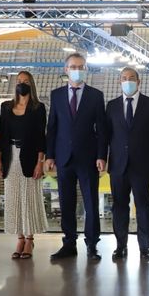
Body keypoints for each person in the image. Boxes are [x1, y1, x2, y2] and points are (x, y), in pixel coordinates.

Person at [45, 52, 107, 262]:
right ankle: (69, 243)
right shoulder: (56, 95)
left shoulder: (96, 95)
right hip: (63, 158)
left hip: (88, 158)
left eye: (81, 66)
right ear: (66, 69)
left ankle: (92, 245)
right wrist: (50, 155)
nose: (77, 69)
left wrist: (101, 155)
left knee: (91, 203)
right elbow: (52, 127)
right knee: (66, 202)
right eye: (73, 66)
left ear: (86, 69)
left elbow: (102, 129)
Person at [103, 66, 149, 262]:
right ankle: (121, 246)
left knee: (143, 206)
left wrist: (146, 156)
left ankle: (145, 247)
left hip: (141, 167)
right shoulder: (111, 106)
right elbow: (106, 136)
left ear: (139, 82)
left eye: (131, 78)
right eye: (123, 78)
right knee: (119, 207)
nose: (127, 81)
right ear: (119, 82)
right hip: (118, 166)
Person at [0, 71, 47, 260]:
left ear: (31, 84)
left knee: (29, 198)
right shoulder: (6, 107)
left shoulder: (38, 107)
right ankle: (19, 238)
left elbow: (42, 137)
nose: (22, 84)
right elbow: (1, 136)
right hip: (11, 156)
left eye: (25, 81)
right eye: (19, 81)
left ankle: (29, 239)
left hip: (30, 157)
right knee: (14, 197)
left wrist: (40, 162)